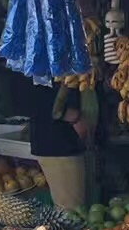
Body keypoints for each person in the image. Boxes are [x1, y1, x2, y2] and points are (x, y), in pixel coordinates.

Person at [20, 75, 89, 212]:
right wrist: (75, 118)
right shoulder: (43, 66)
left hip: (63, 142)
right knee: (71, 210)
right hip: (58, 144)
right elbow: (41, 101)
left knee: (75, 206)